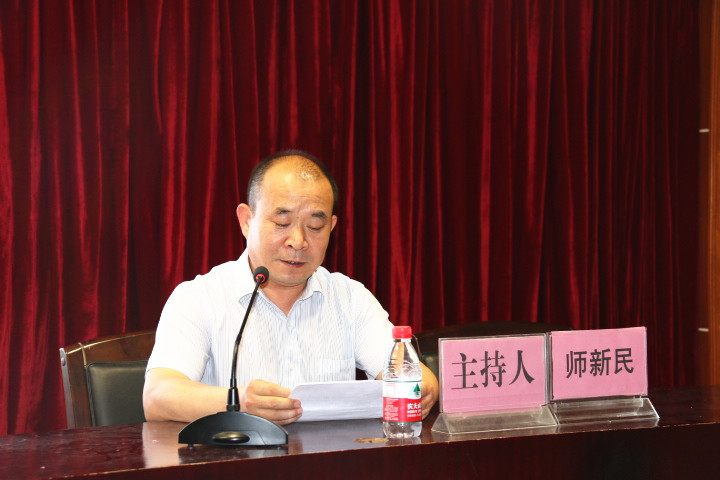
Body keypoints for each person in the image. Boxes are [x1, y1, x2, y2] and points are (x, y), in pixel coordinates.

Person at [143, 150, 439, 425]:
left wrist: (424, 389)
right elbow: (158, 397)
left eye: (315, 227)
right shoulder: (199, 297)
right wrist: (238, 403)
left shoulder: (350, 298)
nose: (298, 241)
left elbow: (414, 376)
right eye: (282, 222)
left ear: (331, 228)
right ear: (246, 221)